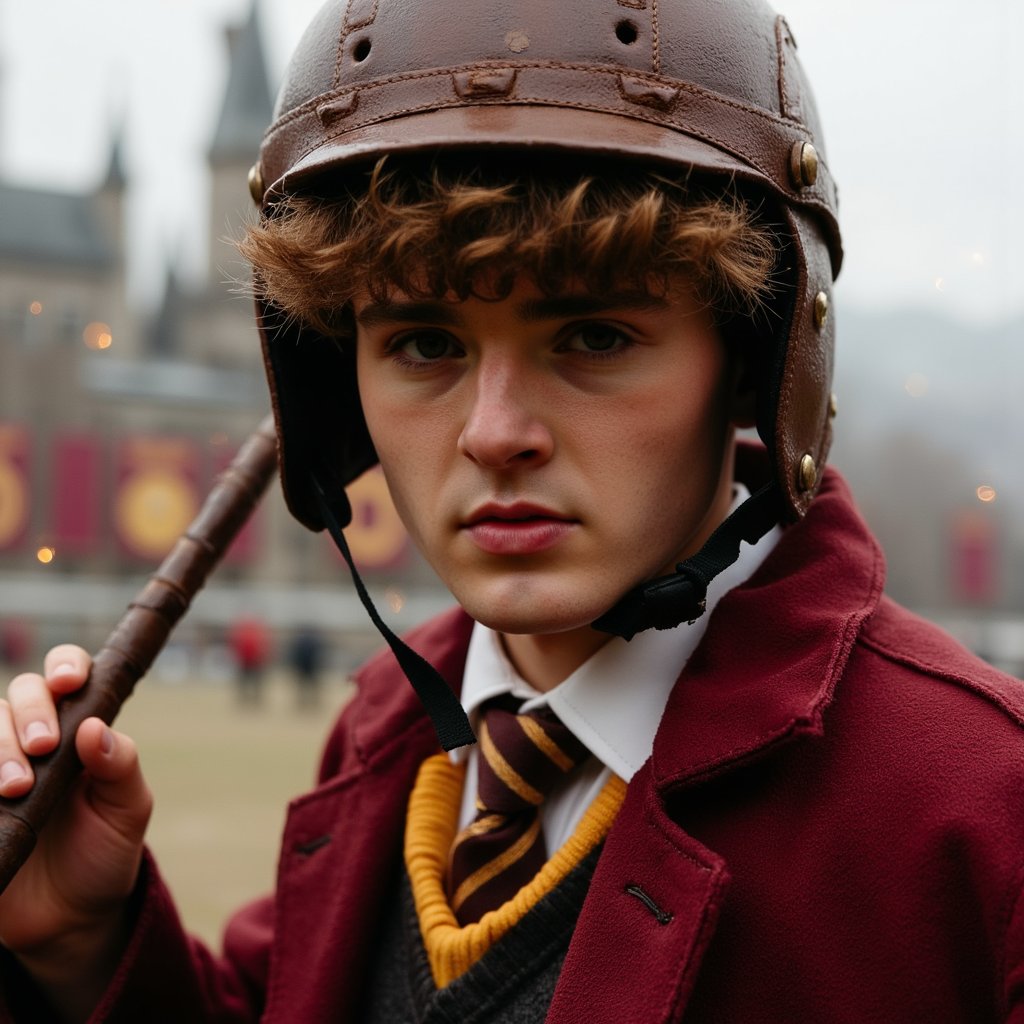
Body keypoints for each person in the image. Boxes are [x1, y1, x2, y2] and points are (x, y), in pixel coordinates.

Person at [1, 0, 1023, 1020]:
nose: (493, 433)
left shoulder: (984, 809)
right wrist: (88, 944)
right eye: (424, 344)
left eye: (592, 336)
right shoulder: (383, 733)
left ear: (755, 364)